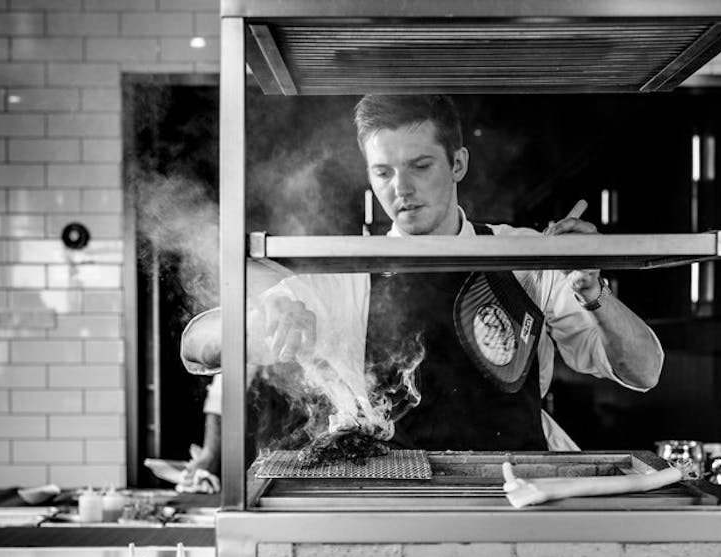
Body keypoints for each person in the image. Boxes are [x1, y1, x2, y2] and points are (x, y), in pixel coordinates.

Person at [181, 94, 662, 451]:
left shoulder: (526, 258)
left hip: (517, 488)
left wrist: (594, 293)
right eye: (383, 172)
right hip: (390, 491)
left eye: (420, 165)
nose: (402, 189)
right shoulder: (349, 273)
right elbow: (197, 349)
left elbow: (643, 371)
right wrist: (268, 315)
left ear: (457, 163)